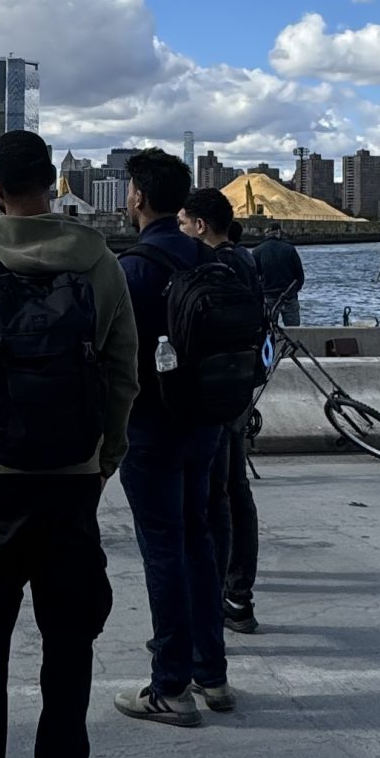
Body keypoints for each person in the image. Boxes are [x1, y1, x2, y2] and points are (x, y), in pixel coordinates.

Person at [0, 131, 139, 758]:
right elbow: (123, 373)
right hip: (72, 479)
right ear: (52, 183)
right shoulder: (101, 262)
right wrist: (105, 459)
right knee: (69, 638)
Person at [113, 148, 232, 725]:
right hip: (206, 423)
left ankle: (170, 687)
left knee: (163, 550)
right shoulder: (210, 259)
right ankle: (213, 674)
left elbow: (110, 356)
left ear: (138, 197)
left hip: (149, 426)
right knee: (198, 541)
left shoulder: (131, 269)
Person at [179, 190, 262, 636]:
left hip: (214, 391)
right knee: (237, 490)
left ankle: (223, 595)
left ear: (200, 226)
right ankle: (239, 593)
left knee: (217, 495)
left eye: (183, 224)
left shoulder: (211, 266)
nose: (181, 231)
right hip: (241, 384)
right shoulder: (246, 260)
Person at [250, 223, 304, 327]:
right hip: (289, 296)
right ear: (278, 232)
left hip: (268, 297)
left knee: (268, 329)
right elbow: (300, 276)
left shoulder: (257, 251)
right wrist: (293, 291)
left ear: (266, 233)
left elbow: (254, 278)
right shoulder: (290, 249)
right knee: (293, 330)